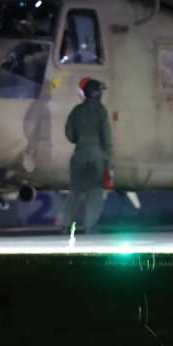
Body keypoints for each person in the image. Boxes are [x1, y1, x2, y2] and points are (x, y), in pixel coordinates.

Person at [64, 77, 112, 233]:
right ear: (97, 93)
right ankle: (89, 226)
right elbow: (106, 138)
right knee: (95, 193)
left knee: (75, 192)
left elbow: (70, 135)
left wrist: (81, 138)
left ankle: (67, 225)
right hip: (96, 156)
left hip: (79, 155)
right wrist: (108, 161)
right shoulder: (101, 111)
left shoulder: (76, 111)